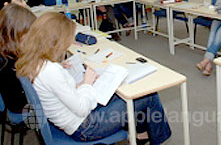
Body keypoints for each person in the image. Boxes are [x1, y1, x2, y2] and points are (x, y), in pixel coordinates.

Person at [15, 12, 171, 144]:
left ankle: (141, 134)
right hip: (85, 127)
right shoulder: (51, 71)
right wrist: (87, 83)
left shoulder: (35, 62)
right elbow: (82, 108)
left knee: (130, 93)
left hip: (72, 117)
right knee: (149, 96)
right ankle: (159, 138)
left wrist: (82, 84)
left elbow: (60, 93)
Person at [0, 4, 36, 113]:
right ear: (16, 32)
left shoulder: (6, 51)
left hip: (16, 101)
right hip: (22, 106)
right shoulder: (7, 62)